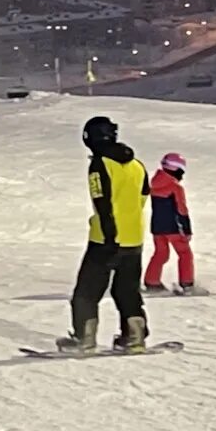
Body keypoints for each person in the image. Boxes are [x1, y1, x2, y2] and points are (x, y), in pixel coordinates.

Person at [59, 116, 151, 353]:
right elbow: (142, 198)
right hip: (134, 238)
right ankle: (135, 336)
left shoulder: (100, 164)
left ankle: (84, 338)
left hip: (105, 239)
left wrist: (109, 235)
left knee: (87, 291)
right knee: (127, 290)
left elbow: (102, 201)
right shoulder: (137, 165)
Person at [144, 152, 195, 295]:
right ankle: (187, 284)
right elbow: (181, 209)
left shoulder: (154, 184)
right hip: (173, 228)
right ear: (176, 169)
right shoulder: (175, 187)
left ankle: (151, 282)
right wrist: (186, 229)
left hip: (157, 228)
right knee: (185, 253)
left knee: (161, 254)